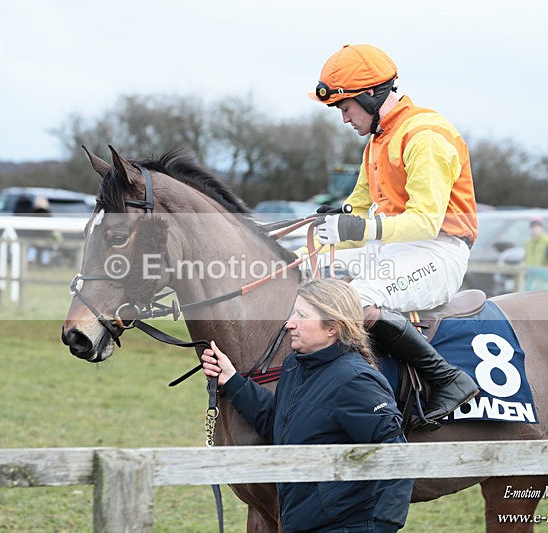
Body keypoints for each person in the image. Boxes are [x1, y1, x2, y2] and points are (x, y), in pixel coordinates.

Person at [303, 44, 478, 420]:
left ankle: (447, 378)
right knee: (301, 270)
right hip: (394, 249)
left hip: (439, 250)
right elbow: (356, 214)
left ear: (370, 94)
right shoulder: (377, 144)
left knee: (354, 299)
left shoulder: (426, 135)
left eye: (345, 107)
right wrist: (311, 244)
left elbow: (425, 222)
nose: (344, 119)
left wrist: (360, 227)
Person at [202, 279, 414, 533]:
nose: (289, 323)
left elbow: (396, 454)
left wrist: (384, 526)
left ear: (332, 328)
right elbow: (281, 425)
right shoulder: (295, 366)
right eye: (294, 313)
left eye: (302, 315)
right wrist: (233, 381)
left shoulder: (356, 381)